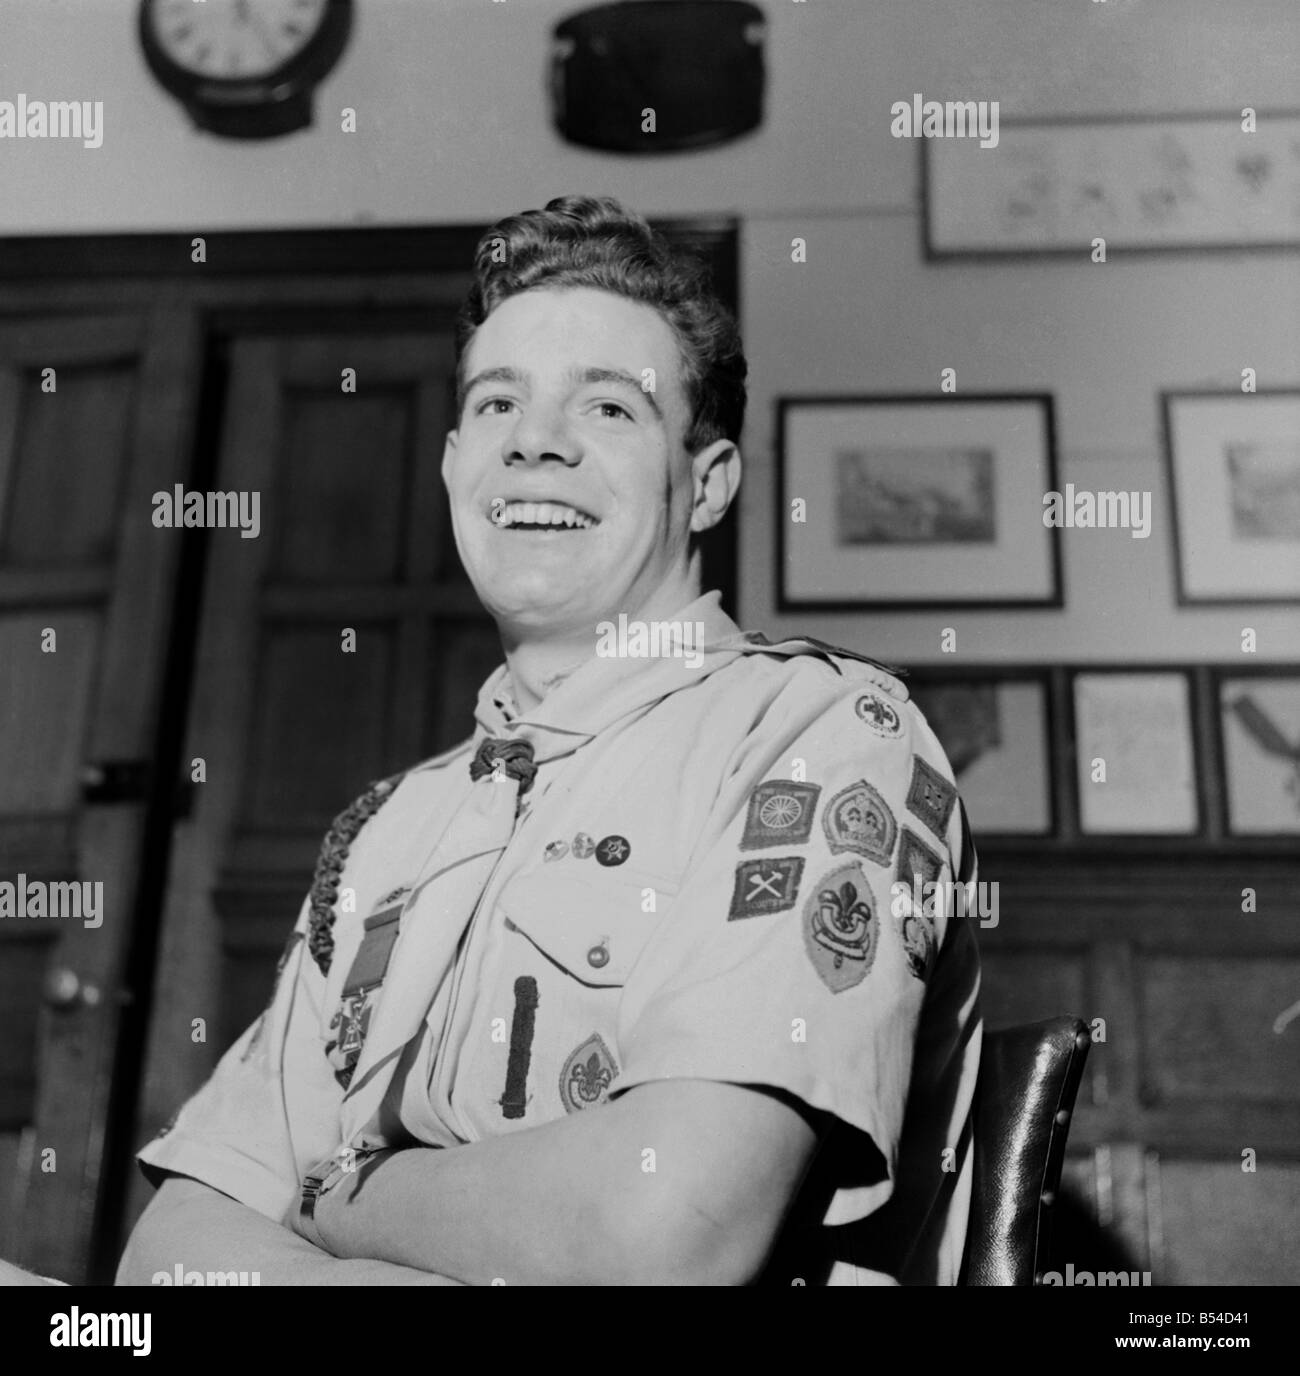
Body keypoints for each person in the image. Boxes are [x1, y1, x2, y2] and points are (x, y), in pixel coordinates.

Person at [29, 194, 983, 1286]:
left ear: (707, 482)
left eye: (610, 410)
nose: (534, 440)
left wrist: (339, 1191)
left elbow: (662, 1232)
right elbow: (171, 1254)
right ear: (450, 467)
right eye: (497, 404)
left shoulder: (819, 735)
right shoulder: (390, 826)